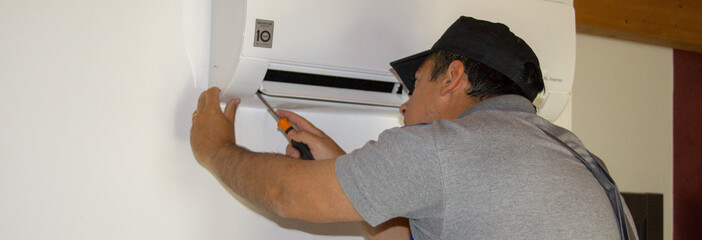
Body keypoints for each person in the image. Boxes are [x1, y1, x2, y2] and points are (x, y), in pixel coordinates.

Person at [190, 16, 635, 239]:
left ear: (453, 78)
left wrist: (216, 150)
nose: (404, 107)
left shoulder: (447, 148)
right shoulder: (575, 156)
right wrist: (347, 170)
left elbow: (284, 196)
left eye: (415, 83)